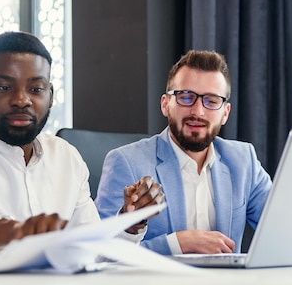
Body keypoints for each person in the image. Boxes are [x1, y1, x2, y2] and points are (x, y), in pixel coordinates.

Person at [0, 31, 164, 258]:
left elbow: (91, 252)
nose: (21, 100)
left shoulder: (66, 157)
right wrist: (8, 232)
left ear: (50, 96)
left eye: (36, 89)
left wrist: (130, 224)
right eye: (5, 87)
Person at [95, 50, 272, 256]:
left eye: (211, 101)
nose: (197, 111)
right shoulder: (126, 162)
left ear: (225, 113)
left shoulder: (243, 161)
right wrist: (178, 244)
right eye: (186, 97)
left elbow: (283, 227)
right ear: (165, 104)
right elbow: (100, 253)